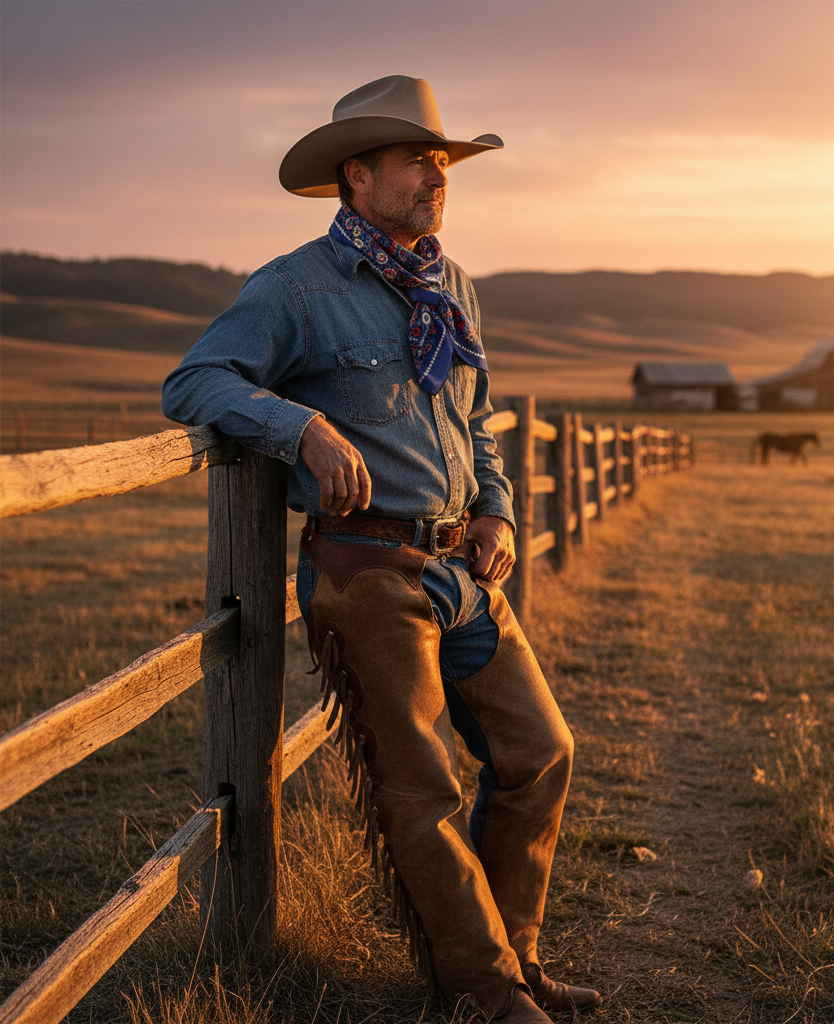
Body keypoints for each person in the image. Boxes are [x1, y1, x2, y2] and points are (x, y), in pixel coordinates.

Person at [162, 76, 600, 1023]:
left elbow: (474, 419)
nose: (437, 175)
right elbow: (195, 380)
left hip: (463, 568)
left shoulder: (450, 285)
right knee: (424, 788)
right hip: (366, 573)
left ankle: (514, 959)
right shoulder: (295, 288)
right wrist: (301, 425)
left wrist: (497, 509)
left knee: (541, 752)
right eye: (416, 160)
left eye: (442, 160)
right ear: (356, 175)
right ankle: (481, 990)